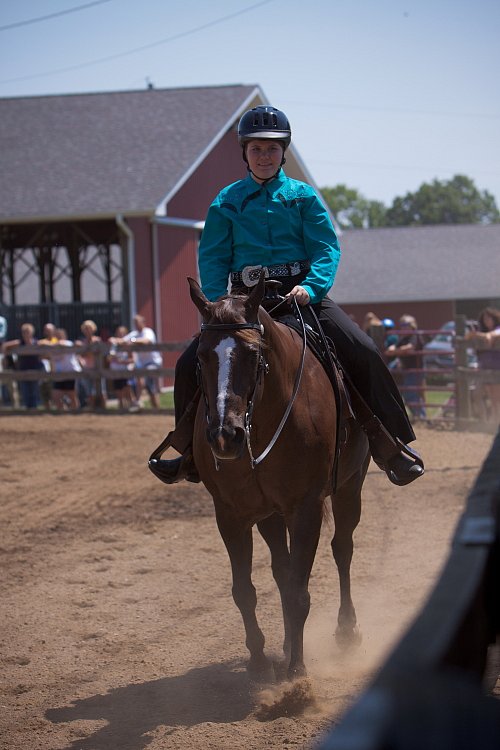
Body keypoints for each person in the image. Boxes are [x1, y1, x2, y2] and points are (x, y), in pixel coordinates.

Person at [154, 105, 424, 486]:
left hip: (303, 297)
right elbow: (212, 256)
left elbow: (326, 249)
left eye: (272, 149)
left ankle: (390, 444)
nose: (264, 157)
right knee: (188, 364)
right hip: (243, 304)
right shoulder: (225, 202)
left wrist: (312, 286)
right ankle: (188, 452)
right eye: (257, 149)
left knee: (362, 348)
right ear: (244, 152)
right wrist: (219, 305)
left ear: (284, 152)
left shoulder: (304, 197)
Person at [385, 315, 426, 420]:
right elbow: (390, 349)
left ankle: (421, 416)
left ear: (412, 326)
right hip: (406, 370)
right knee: (408, 394)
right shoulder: (403, 338)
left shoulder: (415, 336)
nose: (403, 327)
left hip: (415, 370)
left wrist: (396, 350)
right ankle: (418, 416)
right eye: (402, 325)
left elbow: (410, 348)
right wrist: (399, 350)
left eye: (406, 325)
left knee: (411, 394)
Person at [120, 315, 162, 409]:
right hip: (142, 364)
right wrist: (114, 340)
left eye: (137, 322)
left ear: (143, 322)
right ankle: (142, 403)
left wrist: (133, 341)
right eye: (134, 322)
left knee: (147, 383)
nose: (136, 324)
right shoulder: (134, 333)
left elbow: (146, 341)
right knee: (149, 387)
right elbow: (123, 340)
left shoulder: (148, 331)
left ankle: (141, 402)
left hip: (153, 363)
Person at [466, 307, 500, 422]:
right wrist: (483, 335)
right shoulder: (482, 331)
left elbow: (495, 334)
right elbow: (468, 337)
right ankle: (485, 420)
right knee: (477, 394)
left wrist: (483, 335)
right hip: (484, 368)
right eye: (485, 318)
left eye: (489, 318)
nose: (487, 320)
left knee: (495, 398)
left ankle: (494, 423)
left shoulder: (497, 328)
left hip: (496, 368)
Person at [2, 323, 45, 409]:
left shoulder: (37, 343)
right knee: (25, 391)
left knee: (34, 390)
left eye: (27, 332)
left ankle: (34, 409)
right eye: (24, 332)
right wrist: (6, 358)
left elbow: (45, 350)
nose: (25, 334)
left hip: (35, 370)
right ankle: (27, 409)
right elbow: (5, 346)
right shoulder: (19, 343)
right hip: (23, 370)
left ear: (32, 332)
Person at [76, 320, 105, 409]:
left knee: (101, 392)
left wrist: (85, 352)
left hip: (97, 369)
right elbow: (79, 355)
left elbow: (97, 353)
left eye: (89, 328)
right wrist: (81, 361)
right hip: (86, 369)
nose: (87, 331)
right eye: (85, 329)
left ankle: (104, 409)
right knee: (89, 393)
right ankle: (92, 409)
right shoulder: (82, 342)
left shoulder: (97, 340)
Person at [50, 328, 81, 410]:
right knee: (56, 396)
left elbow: (62, 344)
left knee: (72, 395)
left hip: (70, 372)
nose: (58, 337)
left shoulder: (68, 343)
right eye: (56, 335)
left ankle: (75, 412)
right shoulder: (52, 346)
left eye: (60, 335)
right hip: (59, 374)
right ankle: (62, 413)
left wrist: (54, 344)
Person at [108, 325, 135, 410]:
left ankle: (132, 405)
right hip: (116, 371)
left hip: (125, 370)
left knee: (127, 389)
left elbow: (132, 360)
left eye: (122, 333)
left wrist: (122, 362)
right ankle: (121, 408)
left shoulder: (127, 345)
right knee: (118, 390)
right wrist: (113, 358)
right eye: (119, 333)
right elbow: (109, 358)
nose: (120, 334)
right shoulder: (113, 345)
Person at [38, 323, 59, 410]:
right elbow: (40, 356)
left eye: (49, 330)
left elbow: (57, 354)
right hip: (45, 370)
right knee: (44, 389)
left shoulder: (57, 341)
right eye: (46, 330)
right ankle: (47, 408)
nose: (48, 332)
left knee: (55, 390)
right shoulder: (41, 342)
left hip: (57, 370)